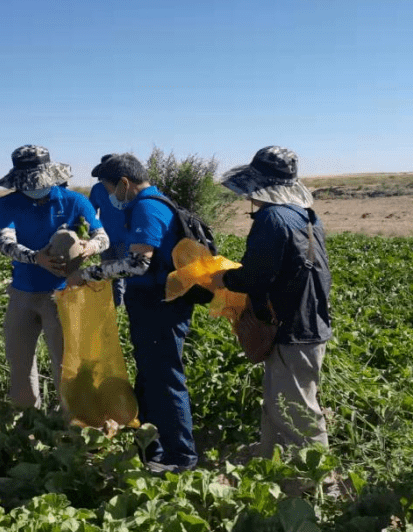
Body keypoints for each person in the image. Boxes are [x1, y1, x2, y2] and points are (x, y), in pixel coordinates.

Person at [68, 153, 198, 472]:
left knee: (166, 379)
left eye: (111, 189)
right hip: (155, 305)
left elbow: (138, 264)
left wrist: (88, 275)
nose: (111, 196)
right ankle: (153, 447)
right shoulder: (154, 202)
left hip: (161, 307)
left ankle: (180, 456)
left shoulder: (147, 207)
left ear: (124, 183)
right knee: (153, 378)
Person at [212, 147, 333, 458]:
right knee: (278, 400)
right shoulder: (305, 216)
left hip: (291, 328)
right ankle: (271, 456)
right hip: (305, 321)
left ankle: (315, 481)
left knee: (298, 410)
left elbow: (255, 277)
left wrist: (222, 279)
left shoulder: (272, 219)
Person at [0, 145, 108, 409]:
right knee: (19, 360)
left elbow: (103, 237)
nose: (34, 187)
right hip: (23, 293)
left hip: (64, 294)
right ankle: (27, 420)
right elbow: (5, 243)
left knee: (67, 363)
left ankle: (72, 422)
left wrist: (90, 247)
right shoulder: (5, 205)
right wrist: (36, 258)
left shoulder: (74, 201)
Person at [88, 155, 129, 306]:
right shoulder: (98, 189)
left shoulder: (127, 188)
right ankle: (116, 305)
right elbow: (90, 212)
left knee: (120, 274)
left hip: (125, 238)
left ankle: (119, 306)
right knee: (111, 273)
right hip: (106, 238)